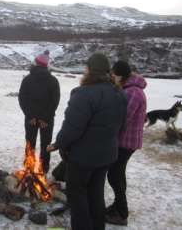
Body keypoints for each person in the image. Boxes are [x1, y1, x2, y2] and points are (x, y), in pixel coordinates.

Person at [47, 53, 127, 230]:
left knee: (77, 197)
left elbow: (72, 127)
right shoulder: (119, 93)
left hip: (82, 158)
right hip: (106, 155)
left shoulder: (84, 94)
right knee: (96, 194)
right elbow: (122, 127)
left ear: (90, 70)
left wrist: (58, 143)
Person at [105, 60, 147, 226]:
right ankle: (117, 207)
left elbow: (122, 119)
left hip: (126, 142)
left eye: (113, 75)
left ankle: (122, 213)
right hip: (126, 140)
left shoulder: (133, 93)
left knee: (115, 176)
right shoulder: (130, 89)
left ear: (120, 76)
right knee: (118, 174)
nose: (112, 78)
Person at [18, 50, 60, 173]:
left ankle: (29, 168)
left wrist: (30, 116)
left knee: (30, 143)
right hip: (47, 120)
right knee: (46, 145)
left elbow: (22, 99)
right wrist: (45, 118)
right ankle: (43, 170)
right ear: (46, 66)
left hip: (30, 119)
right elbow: (55, 101)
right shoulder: (53, 80)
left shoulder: (27, 79)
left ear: (36, 64)